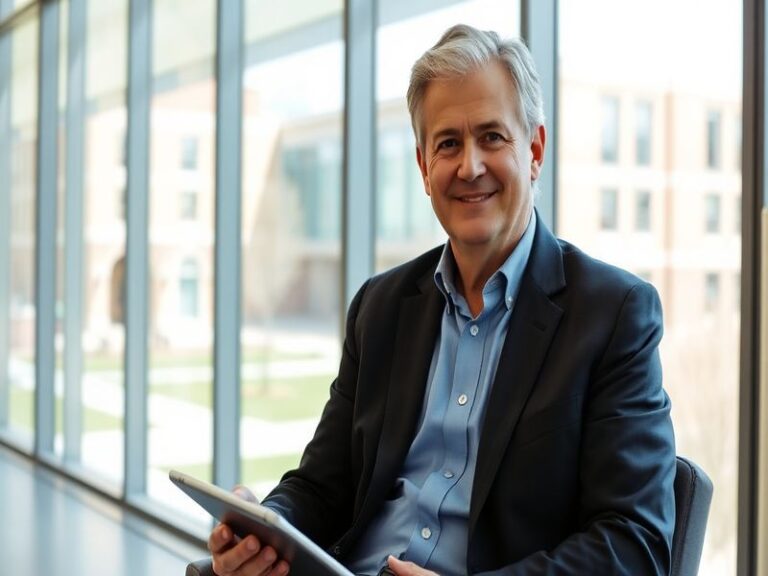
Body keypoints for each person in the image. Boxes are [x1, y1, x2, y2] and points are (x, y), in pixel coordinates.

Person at [208, 24, 676, 576]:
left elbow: (634, 544)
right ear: (424, 167)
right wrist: (264, 528)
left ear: (534, 150)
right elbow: (321, 484)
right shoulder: (379, 308)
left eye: (492, 138)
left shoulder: (614, 314)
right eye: (448, 143)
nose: (469, 166)